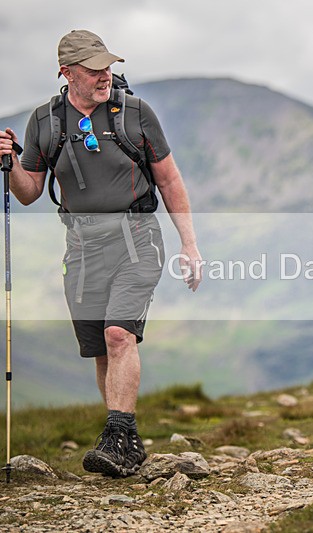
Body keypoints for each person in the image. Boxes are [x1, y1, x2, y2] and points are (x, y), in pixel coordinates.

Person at [0, 30, 203, 477]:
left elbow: (169, 181)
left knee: (117, 334)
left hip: (137, 238)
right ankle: (123, 442)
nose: (104, 76)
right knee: (100, 348)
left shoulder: (135, 114)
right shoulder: (45, 122)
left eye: (107, 67)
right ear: (67, 73)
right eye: (93, 70)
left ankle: (119, 436)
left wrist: (189, 244)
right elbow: (30, 191)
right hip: (81, 247)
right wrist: (11, 162)